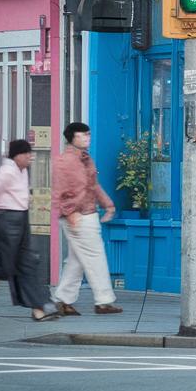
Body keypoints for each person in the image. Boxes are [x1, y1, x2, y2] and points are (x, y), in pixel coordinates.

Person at [0, 140, 59, 322]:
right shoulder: (7, 172)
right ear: (16, 155)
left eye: (29, 153)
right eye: (26, 154)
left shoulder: (22, 170)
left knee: (27, 262)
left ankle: (38, 308)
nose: (29, 156)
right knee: (7, 266)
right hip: (7, 221)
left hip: (21, 219)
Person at [51, 122, 122, 315]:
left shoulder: (86, 159)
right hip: (78, 215)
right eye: (83, 135)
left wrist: (108, 204)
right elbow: (59, 190)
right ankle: (104, 301)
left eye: (88, 135)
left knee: (77, 260)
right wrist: (69, 212)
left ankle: (63, 299)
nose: (87, 138)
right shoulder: (64, 161)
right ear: (72, 138)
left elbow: (93, 185)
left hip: (88, 213)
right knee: (95, 256)